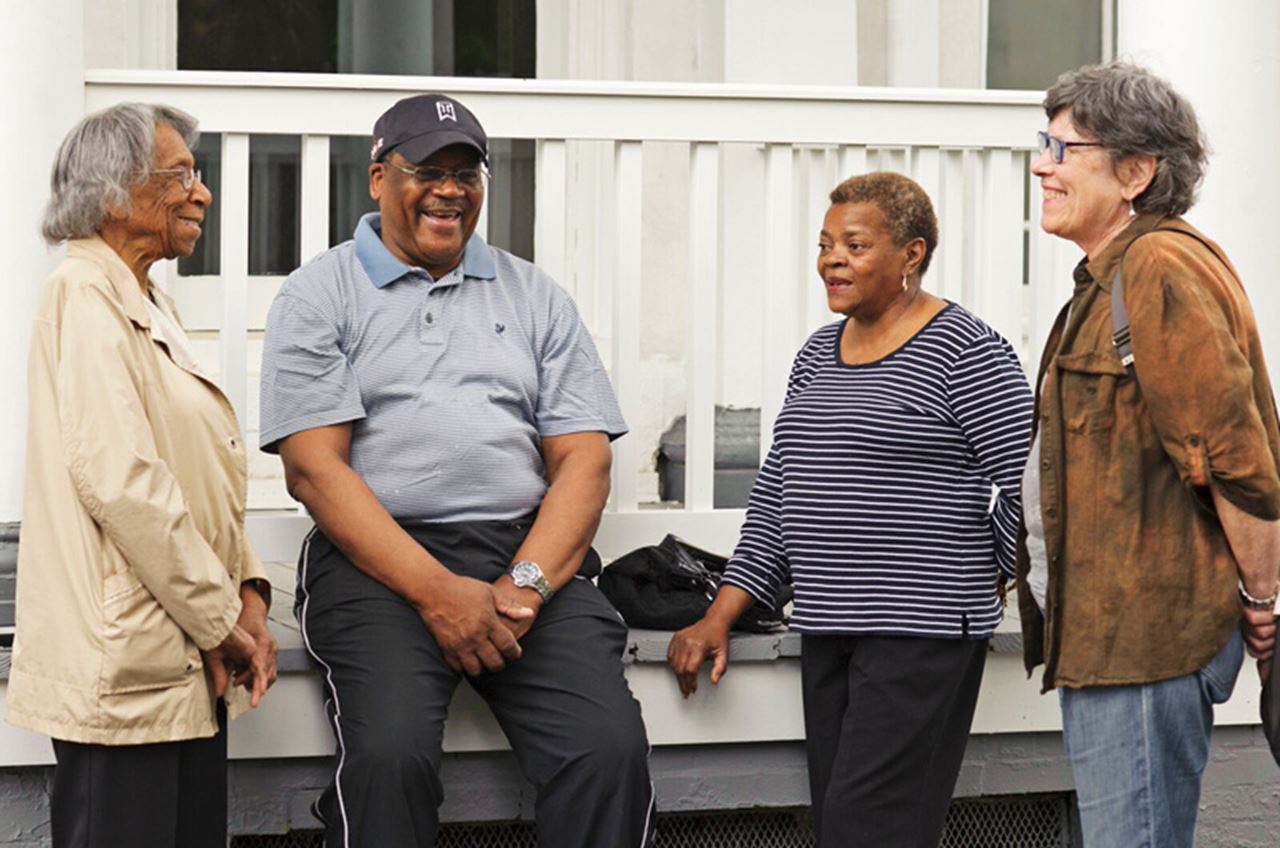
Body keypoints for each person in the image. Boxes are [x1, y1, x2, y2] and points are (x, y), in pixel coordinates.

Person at [259, 93, 653, 848]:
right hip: (379, 561)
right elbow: (314, 471)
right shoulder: (319, 294)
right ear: (378, 178)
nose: (451, 189)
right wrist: (439, 593)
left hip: (522, 553)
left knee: (607, 750)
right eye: (427, 170)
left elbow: (584, 461)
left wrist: (526, 584)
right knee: (390, 758)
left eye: (467, 172)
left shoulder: (534, 295)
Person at [668, 172, 1033, 847]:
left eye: (855, 245)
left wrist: (1001, 575)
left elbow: (1031, 484)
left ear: (912, 254)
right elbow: (779, 494)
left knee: (870, 830)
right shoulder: (816, 355)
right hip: (830, 624)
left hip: (922, 633)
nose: (831, 260)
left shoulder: (967, 351)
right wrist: (720, 613)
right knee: (845, 826)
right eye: (825, 244)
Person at [1018, 61, 1280, 848]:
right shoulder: (1113, 275)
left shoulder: (1158, 267)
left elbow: (1234, 453)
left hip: (1144, 641)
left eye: (1064, 149)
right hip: (1114, 642)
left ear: (1135, 171)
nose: (1042, 164)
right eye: (1045, 143)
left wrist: (1262, 599)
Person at [5, 103, 279, 848]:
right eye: (181, 174)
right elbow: (124, 482)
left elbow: (196, 472)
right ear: (115, 192)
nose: (202, 192)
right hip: (127, 660)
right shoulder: (83, 295)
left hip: (176, 652)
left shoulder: (145, 298)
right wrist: (221, 620)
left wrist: (248, 591)